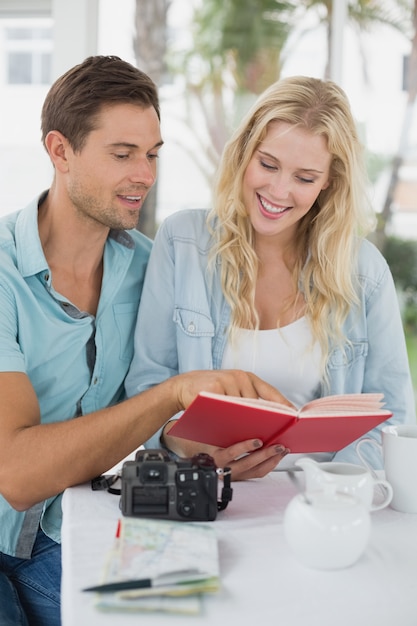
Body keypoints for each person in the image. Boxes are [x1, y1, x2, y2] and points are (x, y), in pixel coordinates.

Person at [0, 55, 290, 626]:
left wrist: (203, 447)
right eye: (123, 154)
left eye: (153, 154)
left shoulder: (153, 269)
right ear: (60, 151)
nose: (145, 175)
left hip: (81, 531)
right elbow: (15, 472)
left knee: (203, 610)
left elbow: (153, 428)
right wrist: (173, 394)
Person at [125, 75, 416, 472]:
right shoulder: (183, 242)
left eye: (305, 178)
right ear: (245, 152)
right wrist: (194, 448)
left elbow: (394, 418)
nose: (279, 191)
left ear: (329, 181)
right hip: (211, 496)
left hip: (321, 502)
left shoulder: (363, 271)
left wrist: (329, 484)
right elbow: (148, 387)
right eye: (268, 164)